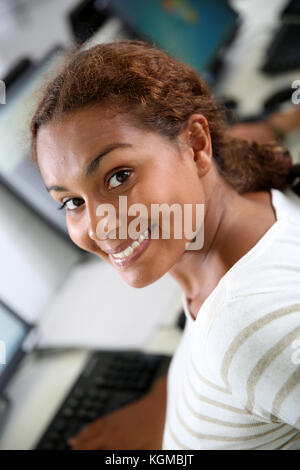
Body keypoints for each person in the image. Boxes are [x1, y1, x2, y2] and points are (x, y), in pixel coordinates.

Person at [30, 41, 300, 450]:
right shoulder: (253, 197)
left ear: (195, 145)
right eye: (72, 202)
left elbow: (258, 343)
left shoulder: (248, 330)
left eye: (119, 176)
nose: (101, 225)